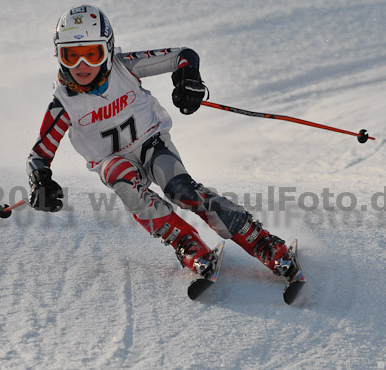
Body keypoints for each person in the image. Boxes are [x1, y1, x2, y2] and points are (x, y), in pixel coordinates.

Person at [26, 5, 299, 281]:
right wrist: (40, 182)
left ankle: (259, 239)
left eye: (91, 54)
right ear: (59, 55)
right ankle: (185, 241)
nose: (81, 66)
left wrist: (187, 78)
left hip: (151, 145)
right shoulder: (62, 104)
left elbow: (184, 55)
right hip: (116, 163)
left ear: (107, 51)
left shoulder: (124, 67)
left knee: (180, 189)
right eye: (70, 56)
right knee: (118, 175)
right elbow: (38, 155)